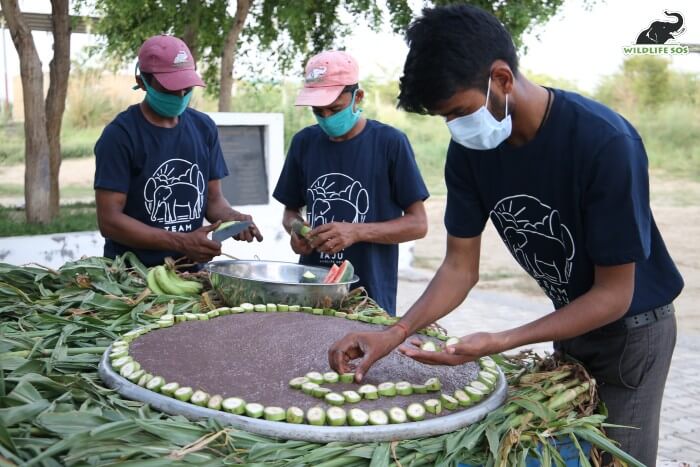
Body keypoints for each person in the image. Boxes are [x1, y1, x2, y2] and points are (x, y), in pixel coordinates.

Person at [328, 5, 683, 465]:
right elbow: (459, 267)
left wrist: (501, 339)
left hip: (632, 333)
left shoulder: (604, 143)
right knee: (571, 454)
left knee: (617, 459)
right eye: (445, 119)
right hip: (573, 321)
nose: (456, 128)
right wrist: (393, 333)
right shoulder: (472, 152)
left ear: (501, 79)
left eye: (458, 112)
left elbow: (614, 295)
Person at [273, 50, 429, 315]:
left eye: (335, 109)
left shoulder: (390, 143)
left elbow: (418, 224)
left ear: (358, 97)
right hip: (312, 291)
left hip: (369, 296)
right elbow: (290, 212)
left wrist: (356, 231)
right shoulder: (304, 143)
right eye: (318, 111)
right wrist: (296, 231)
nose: (327, 118)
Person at [94, 35, 262, 268]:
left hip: (190, 273)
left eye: (186, 88)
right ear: (142, 82)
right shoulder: (120, 136)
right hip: (133, 277)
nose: (180, 96)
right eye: (170, 89)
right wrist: (181, 242)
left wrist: (232, 218)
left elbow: (213, 201)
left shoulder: (204, 128)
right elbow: (109, 221)